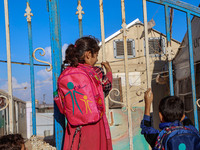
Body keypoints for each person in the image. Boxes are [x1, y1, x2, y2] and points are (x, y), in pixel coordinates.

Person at [56, 36, 113, 150]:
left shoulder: (65, 73)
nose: (96, 59)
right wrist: (109, 72)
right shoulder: (96, 71)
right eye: (96, 55)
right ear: (88, 54)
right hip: (95, 125)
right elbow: (107, 87)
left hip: (74, 126)